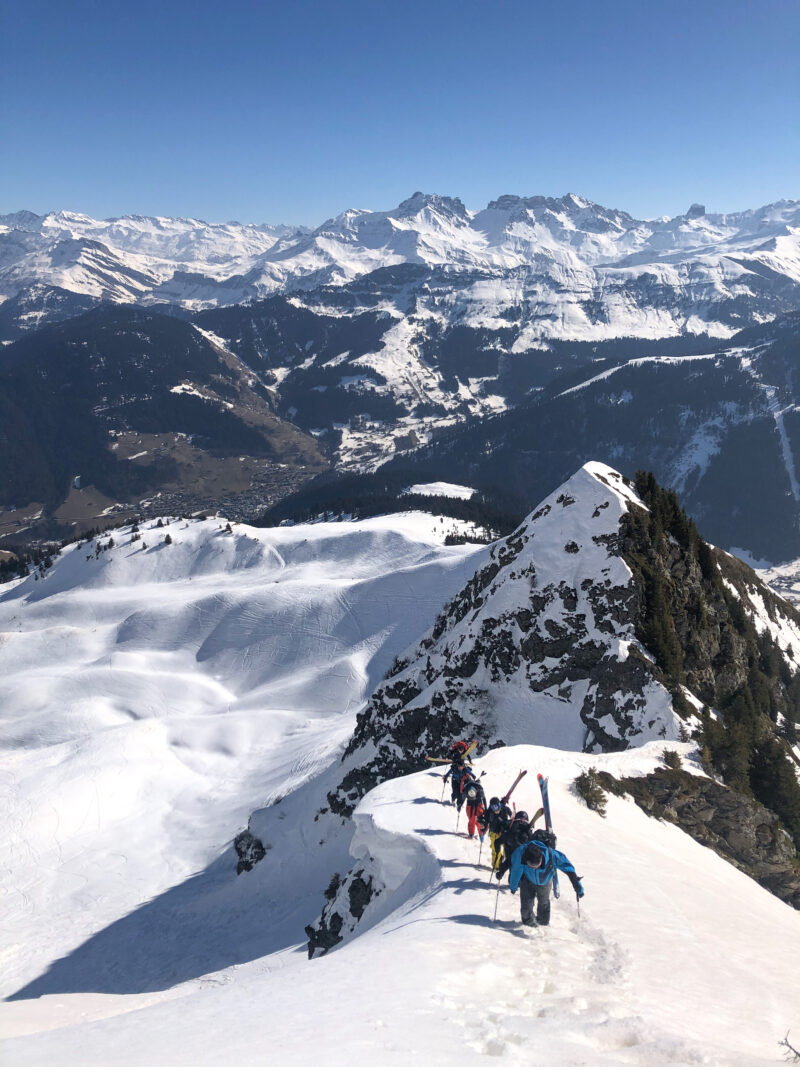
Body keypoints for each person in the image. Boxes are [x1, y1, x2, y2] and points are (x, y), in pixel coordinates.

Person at [508, 840, 584, 927]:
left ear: (541, 859)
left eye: (537, 864)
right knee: (526, 904)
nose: (534, 867)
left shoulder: (552, 855)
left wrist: (577, 885)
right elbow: (516, 870)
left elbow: (568, 868)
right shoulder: (521, 853)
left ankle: (543, 924)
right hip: (527, 879)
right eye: (530, 864)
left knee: (543, 902)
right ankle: (528, 923)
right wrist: (513, 886)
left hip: (545, 880)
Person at [494, 811, 534, 879]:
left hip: (516, 856)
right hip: (517, 856)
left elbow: (497, 842)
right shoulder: (512, 834)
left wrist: (501, 871)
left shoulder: (510, 834)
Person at [478, 796, 512, 869]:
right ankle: (496, 866)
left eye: (497, 806)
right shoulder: (489, 812)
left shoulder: (505, 809)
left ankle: (503, 860)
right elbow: (485, 822)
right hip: (494, 833)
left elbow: (512, 817)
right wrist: (482, 826)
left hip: (504, 833)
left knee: (506, 850)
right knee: (496, 850)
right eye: (494, 807)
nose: (496, 809)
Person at [459, 774, 486, 838]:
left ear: (476, 791)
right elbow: (463, 798)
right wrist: (460, 805)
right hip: (470, 806)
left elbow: (484, 799)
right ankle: (471, 833)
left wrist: (486, 808)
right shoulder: (466, 789)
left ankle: (481, 833)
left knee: (480, 820)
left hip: (479, 805)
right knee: (471, 820)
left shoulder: (480, 790)